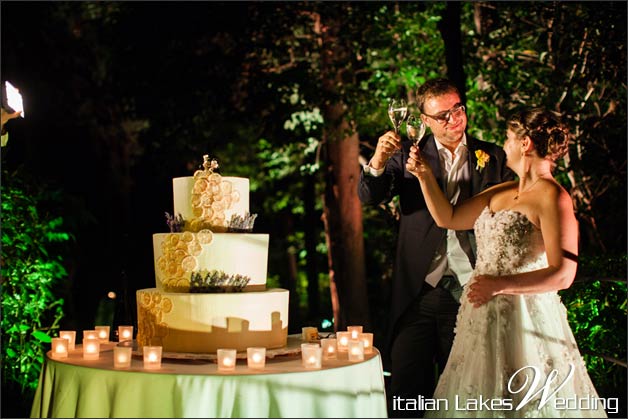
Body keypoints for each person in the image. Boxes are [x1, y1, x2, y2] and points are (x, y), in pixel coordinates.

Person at [406, 107, 607, 418]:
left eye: (509, 138)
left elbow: (565, 273)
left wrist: (499, 285)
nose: (504, 145)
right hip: (481, 317)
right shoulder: (502, 190)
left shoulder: (553, 197)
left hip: (524, 317)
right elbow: (449, 217)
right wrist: (423, 175)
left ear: (525, 143)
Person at [358, 78, 514, 417]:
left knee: (460, 391)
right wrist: (378, 162)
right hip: (418, 290)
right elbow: (371, 196)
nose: (453, 119)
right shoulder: (406, 154)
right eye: (442, 115)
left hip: (470, 289)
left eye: (457, 109)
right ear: (425, 120)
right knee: (406, 391)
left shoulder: (493, 155)